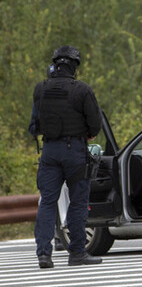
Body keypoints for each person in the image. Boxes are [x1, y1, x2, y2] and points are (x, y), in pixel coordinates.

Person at [29, 46, 103, 268]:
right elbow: (95, 123)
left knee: (47, 202)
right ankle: (77, 252)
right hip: (74, 151)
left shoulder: (40, 89)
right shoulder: (82, 90)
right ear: (74, 66)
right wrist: (88, 134)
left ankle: (44, 254)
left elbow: (34, 126)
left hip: (49, 151)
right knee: (78, 202)